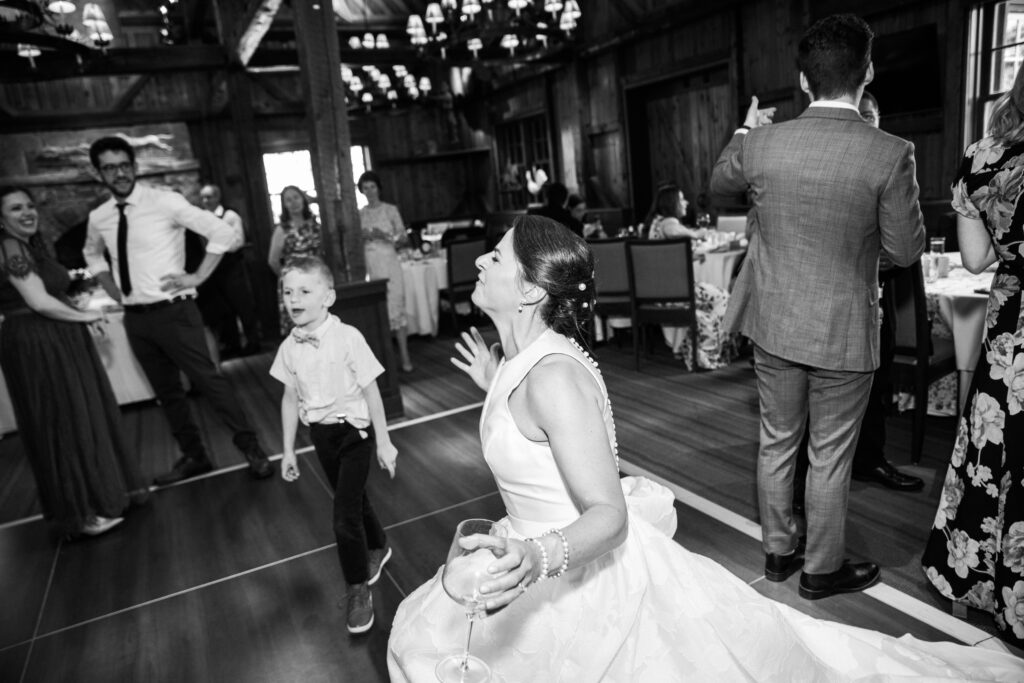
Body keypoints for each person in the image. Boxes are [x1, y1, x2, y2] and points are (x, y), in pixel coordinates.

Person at [387, 216, 1023, 681]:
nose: (479, 262)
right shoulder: (525, 365)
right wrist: (492, 384)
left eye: (494, 257)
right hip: (537, 553)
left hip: (565, 564)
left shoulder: (552, 379)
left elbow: (607, 518)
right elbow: (531, 438)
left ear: (530, 290)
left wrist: (533, 554)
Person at [710, 14, 925, 599]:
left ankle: (779, 554)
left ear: (804, 82)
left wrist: (744, 129)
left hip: (774, 322)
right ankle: (821, 570)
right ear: (868, 72)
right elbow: (905, 249)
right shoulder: (890, 152)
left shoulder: (762, 144)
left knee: (777, 439)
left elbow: (718, 183)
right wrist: (856, 260)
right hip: (843, 327)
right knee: (829, 453)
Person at [83, 136, 273, 484]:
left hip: (176, 313)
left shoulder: (165, 202)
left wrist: (197, 276)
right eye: (110, 168)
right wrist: (112, 289)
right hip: (136, 320)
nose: (120, 173)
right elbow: (92, 254)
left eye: (125, 165)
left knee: (210, 382)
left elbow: (223, 234)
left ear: (135, 167)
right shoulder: (99, 217)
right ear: (99, 173)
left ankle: (252, 449)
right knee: (167, 394)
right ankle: (195, 456)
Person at [921, 63, 1024, 646]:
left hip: (1012, 326)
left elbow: (976, 261)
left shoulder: (985, 156)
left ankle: (979, 575)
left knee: (998, 443)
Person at [792, 91, 924, 515]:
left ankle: (869, 461)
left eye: (872, 117)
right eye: (860, 115)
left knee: (878, 386)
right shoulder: (823, 165)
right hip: (824, 304)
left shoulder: (889, 161)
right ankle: (803, 485)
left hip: (876, 298)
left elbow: (901, 244)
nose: (866, 123)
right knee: (814, 401)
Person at [0, 186, 147, 538]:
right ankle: (81, 513)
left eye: (30, 205)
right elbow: (38, 301)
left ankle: (97, 497)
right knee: (61, 420)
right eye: (15, 208)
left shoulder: (28, 245)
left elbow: (52, 296)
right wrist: (86, 318)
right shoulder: (8, 247)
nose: (27, 212)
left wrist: (75, 310)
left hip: (53, 336)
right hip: (38, 344)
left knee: (78, 414)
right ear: (0, 218)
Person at [270, 255, 398, 635]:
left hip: (354, 433)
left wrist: (384, 441)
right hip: (321, 437)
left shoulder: (348, 338)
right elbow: (290, 399)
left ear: (328, 297)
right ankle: (379, 545)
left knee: (343, 514)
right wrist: (289, 450)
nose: (294, 298)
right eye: (287, 291)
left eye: (304, 291)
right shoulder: (289, 347)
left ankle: (358, 588)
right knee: (354, 499)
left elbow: (372, 390)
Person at [195, 183, 261, 358]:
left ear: (218, 197)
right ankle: (232, 344)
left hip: (232, 266)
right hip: (213, 270)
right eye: (203, 197)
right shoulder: (202, 218)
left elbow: (238, 241)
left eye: (209, 197)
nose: (205, 201)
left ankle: (253, 342)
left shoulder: (230, 216)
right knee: (224, 308)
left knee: (242, 304)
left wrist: (217, 246)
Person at [356, 171, 413, 373]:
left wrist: (385, 235)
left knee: (396, 305)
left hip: (390, 261)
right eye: (365, 187)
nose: (369, 191)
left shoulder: (390, 210)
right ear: (361, 190)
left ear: (379, 188)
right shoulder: (359, 214)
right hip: (370, 264)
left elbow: (403, 238)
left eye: (372, 186)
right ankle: (384, 358)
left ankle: (405, 354)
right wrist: (361, 237)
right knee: (378, 310)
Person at [267, 185, 323, 336]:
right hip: (294, 285)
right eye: (288, 200)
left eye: (296, 197)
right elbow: (272, 260)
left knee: (318, 325)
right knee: (299, 328)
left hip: (315, 280)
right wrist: (288, 279)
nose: (293, 202)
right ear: (284, 205)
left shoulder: (315, 225)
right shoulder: (282, 229)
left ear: (303, 200)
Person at [642, 184, 708, 241]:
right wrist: (696, 234)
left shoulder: (658, 220)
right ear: (671, 203)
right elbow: (672, 231)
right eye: (681, 199)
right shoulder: (668, 222)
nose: (687, 202)